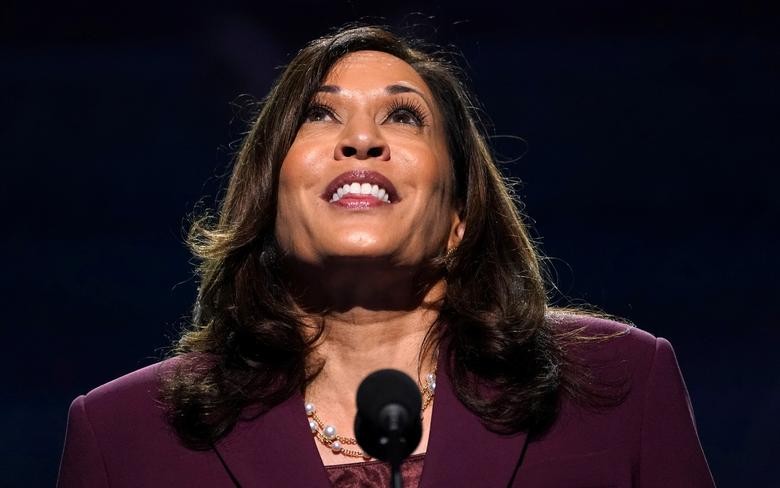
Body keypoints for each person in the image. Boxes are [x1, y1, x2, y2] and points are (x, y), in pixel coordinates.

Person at [57, 25, 715, 487]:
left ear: (458, 218)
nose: (362, 139)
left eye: (403, 117)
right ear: (269, 204)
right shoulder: (123, 436)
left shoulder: (620, 385)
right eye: (320, 116)